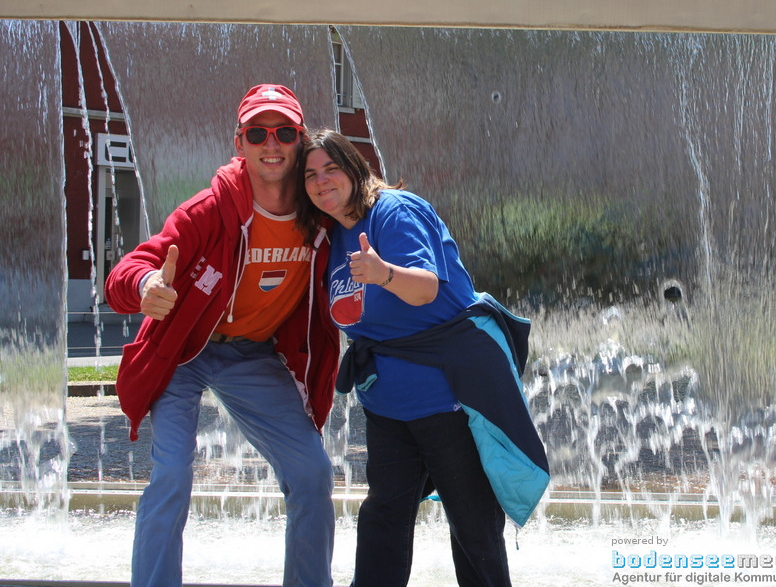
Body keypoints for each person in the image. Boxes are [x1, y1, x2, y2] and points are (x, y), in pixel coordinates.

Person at [104, 85, 340, 587]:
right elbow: (132, 267)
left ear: (299, 140)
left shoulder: (319, 211)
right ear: (240, 142)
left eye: (283, 132)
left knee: (313, 474)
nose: (270, 143)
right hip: (184, 353)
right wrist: (145, 286)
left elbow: (368, 208)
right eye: (258, 132)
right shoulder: (209, 211)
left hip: (253, 356)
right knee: (171, 476)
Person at [297, 128, 549, 587]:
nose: (321, 181)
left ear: (354, 168)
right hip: (387, 405)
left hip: (446, 398)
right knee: (383, 520)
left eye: (331, 168)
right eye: (311, 174)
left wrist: (383, 273)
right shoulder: (333, 231)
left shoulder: (393, 211)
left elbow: (427, 287)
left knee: (473, 527)